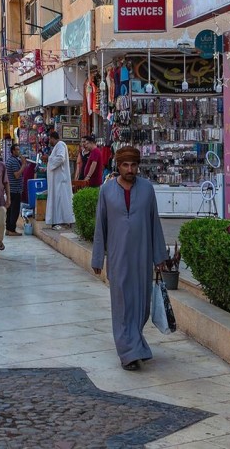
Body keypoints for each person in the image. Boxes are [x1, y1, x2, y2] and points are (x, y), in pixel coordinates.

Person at [91, 146, 168, 371]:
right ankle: (128, 352)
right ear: (118, 165)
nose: (130, 169)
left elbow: (154, 223)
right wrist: (98, 258)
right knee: (122, 304)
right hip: (117, 257)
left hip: (142, 255)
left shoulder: (146, 189)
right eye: (125, 165)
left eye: (133, 165)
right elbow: (100, 227)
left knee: (141, 304)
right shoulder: (106, 191)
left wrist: (159, 256)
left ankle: (137, 344)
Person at [45, 130, 75, 228]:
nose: (49, 141)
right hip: (56, 180)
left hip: (60, 180)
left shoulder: (61, 145)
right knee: (57, 200)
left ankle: (64, 221)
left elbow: (61, 158)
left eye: (50, 139)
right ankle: (58, 220)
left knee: (61, 200)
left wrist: (49, 159)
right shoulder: (58, 146)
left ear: (53, 138)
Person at [4, 144, 24, 236]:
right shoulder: (14, 161)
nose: (18, 151)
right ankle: (11, 229)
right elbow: (16, 175)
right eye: (16, 150)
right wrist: (23, 165)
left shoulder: (10, 160)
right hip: (14, 190)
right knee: (14, 211)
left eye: (19, 149)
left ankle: (8, 229)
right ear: (12, 151)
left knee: (10, 210)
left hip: (10, 189)